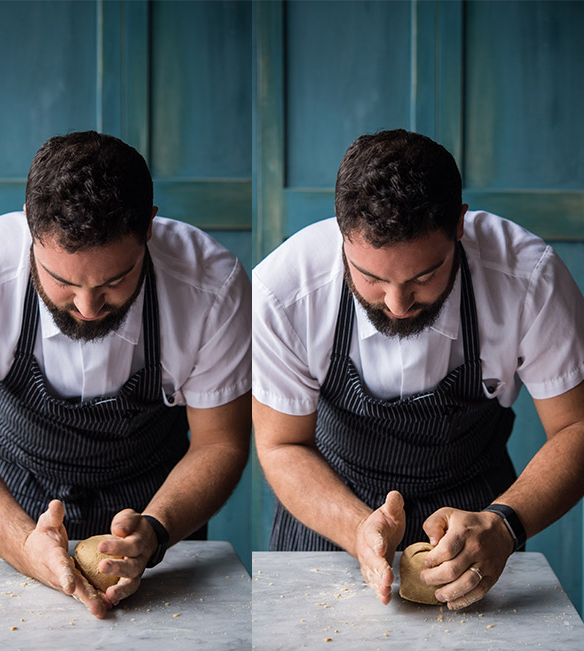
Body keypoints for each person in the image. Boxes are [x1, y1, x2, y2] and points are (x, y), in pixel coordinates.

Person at [0, 131, 251, 618]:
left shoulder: (213, 287)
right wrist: (25, 546)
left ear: (149, 230)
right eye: (63, 281)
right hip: (8, 512)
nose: (88, 306)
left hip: (154, 514)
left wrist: (155, 533)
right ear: (30, 231)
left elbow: (219, 443)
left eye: (116, 280)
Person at [250, 129, 584, 610]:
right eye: (371, 277)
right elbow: (282, 444)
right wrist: (358, 530)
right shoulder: (283, 291)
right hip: (331, 519)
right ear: (341, 232)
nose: (398, 304)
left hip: (479, 526)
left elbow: (575, 424)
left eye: (424, 276)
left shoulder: (527, 278)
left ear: (460, 226)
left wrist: (505, 524)